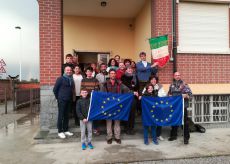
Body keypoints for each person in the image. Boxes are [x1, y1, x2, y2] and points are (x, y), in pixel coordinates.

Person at [100, 69, 137, 144]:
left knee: (117, 122)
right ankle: (109, 137)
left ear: (115, 75)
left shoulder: (120, 83)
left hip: (117, 106)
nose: (113, 75)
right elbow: (102, 95)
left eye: (114, 73)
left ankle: (117, 137)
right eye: (111, 73)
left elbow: (127, 90)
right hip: (108, 106)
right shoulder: (104, 84)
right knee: (109, 122)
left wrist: (134, 92)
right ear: (109, 75)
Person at [168, 72, 192, 145]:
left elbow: (190, 95)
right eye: (176, 75)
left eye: (178, 75)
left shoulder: (184, 84)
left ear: (180, 76)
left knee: (185, 122)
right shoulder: (171, 85)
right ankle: (174, 135)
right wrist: (169, 96)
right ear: (174, 76)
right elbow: (169, 94)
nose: (177, 76)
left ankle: (186, 138)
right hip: (174, 106)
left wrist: (186, 95)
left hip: (182, 106)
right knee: (174, 120)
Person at [142, 76, 166, 141]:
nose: (153, 81)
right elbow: (143, 95)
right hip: (149, 108)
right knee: (150, 121)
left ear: (156, 80)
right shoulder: (146, 87)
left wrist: (156, 95)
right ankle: (151, 134)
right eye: (152, 79)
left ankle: (158, 135)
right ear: (150, 80)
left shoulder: (160, 86)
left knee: (159, 120)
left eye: (155, 79)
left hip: (158, 107)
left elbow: (164, 95)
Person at [53, 66, 74, 139]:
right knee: (61, 115)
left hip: (68, 100)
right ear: (64, 71)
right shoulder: (60, 79)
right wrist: (58, 98)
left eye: (70, 70)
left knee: (66, 115)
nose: (69, 71)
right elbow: (55, 89)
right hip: (62, 100)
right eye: (67, 70)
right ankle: (60, 131)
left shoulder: (71, 79)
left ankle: (65, 130)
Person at [81, 67, 100, 135]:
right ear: (86, 72)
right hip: (86, 99)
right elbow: (82, 90)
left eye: (90, 71)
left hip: (94, 100)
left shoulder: (95, 80)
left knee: (95, 114)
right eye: (87, 71)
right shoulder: (83, 80)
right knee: (86, 114)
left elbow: (97, 89)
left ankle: (95, 128)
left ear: (92, 72)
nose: (89, 73)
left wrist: (94, 92)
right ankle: (86, 129)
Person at [121, 66, 139, 135]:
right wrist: (132, 90)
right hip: (126, 96)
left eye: (131, 69)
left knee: (132, 113)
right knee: (126, 112)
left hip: (133, 96)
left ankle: (131, 128)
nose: (130, 70)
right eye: (128, 69)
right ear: (126, 70)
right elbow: (124, 86)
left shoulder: (135, 76)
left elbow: (137, 86)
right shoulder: (123, 77)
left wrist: (136, 91)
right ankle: (126, 128)